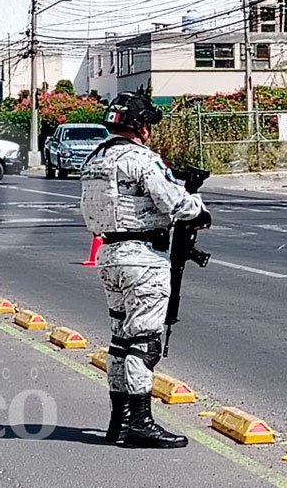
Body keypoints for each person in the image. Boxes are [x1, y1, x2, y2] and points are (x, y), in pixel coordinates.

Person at [80, 91, 210, 449]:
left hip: (109, 254)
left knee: (120, 340)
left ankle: (118, 422)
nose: (150, 131)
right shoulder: (141, 160)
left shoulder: (94, 160)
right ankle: (140, 422)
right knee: (145, 341)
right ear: (140, 127)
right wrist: (199, 209)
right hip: (142, 258)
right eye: (148, 124)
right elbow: (174, 202)